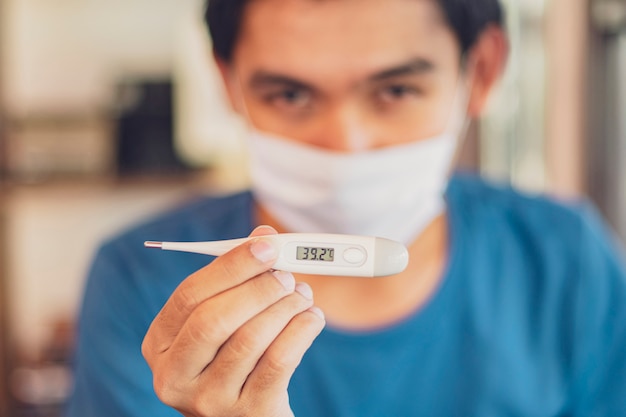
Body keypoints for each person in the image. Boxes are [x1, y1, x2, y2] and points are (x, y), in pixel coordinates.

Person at [65, 0, 626, 416]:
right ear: (227, 83)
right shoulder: (140, 280)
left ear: (480, 72)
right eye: (290, 95)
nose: (345, 143)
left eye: (396, 91)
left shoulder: (564, 260)